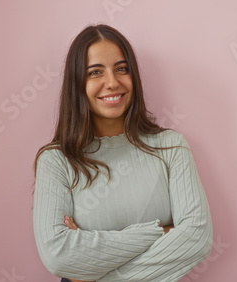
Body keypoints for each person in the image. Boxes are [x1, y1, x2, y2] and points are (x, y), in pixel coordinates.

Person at [33, 24, 213, 282]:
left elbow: (197, 238)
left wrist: (92, 273)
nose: (112, 82)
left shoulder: (171, 147)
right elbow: (58, 255)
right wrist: (162, 232)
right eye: (95, 72)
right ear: (77, 83)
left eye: (121, 69)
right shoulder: (55, 161)